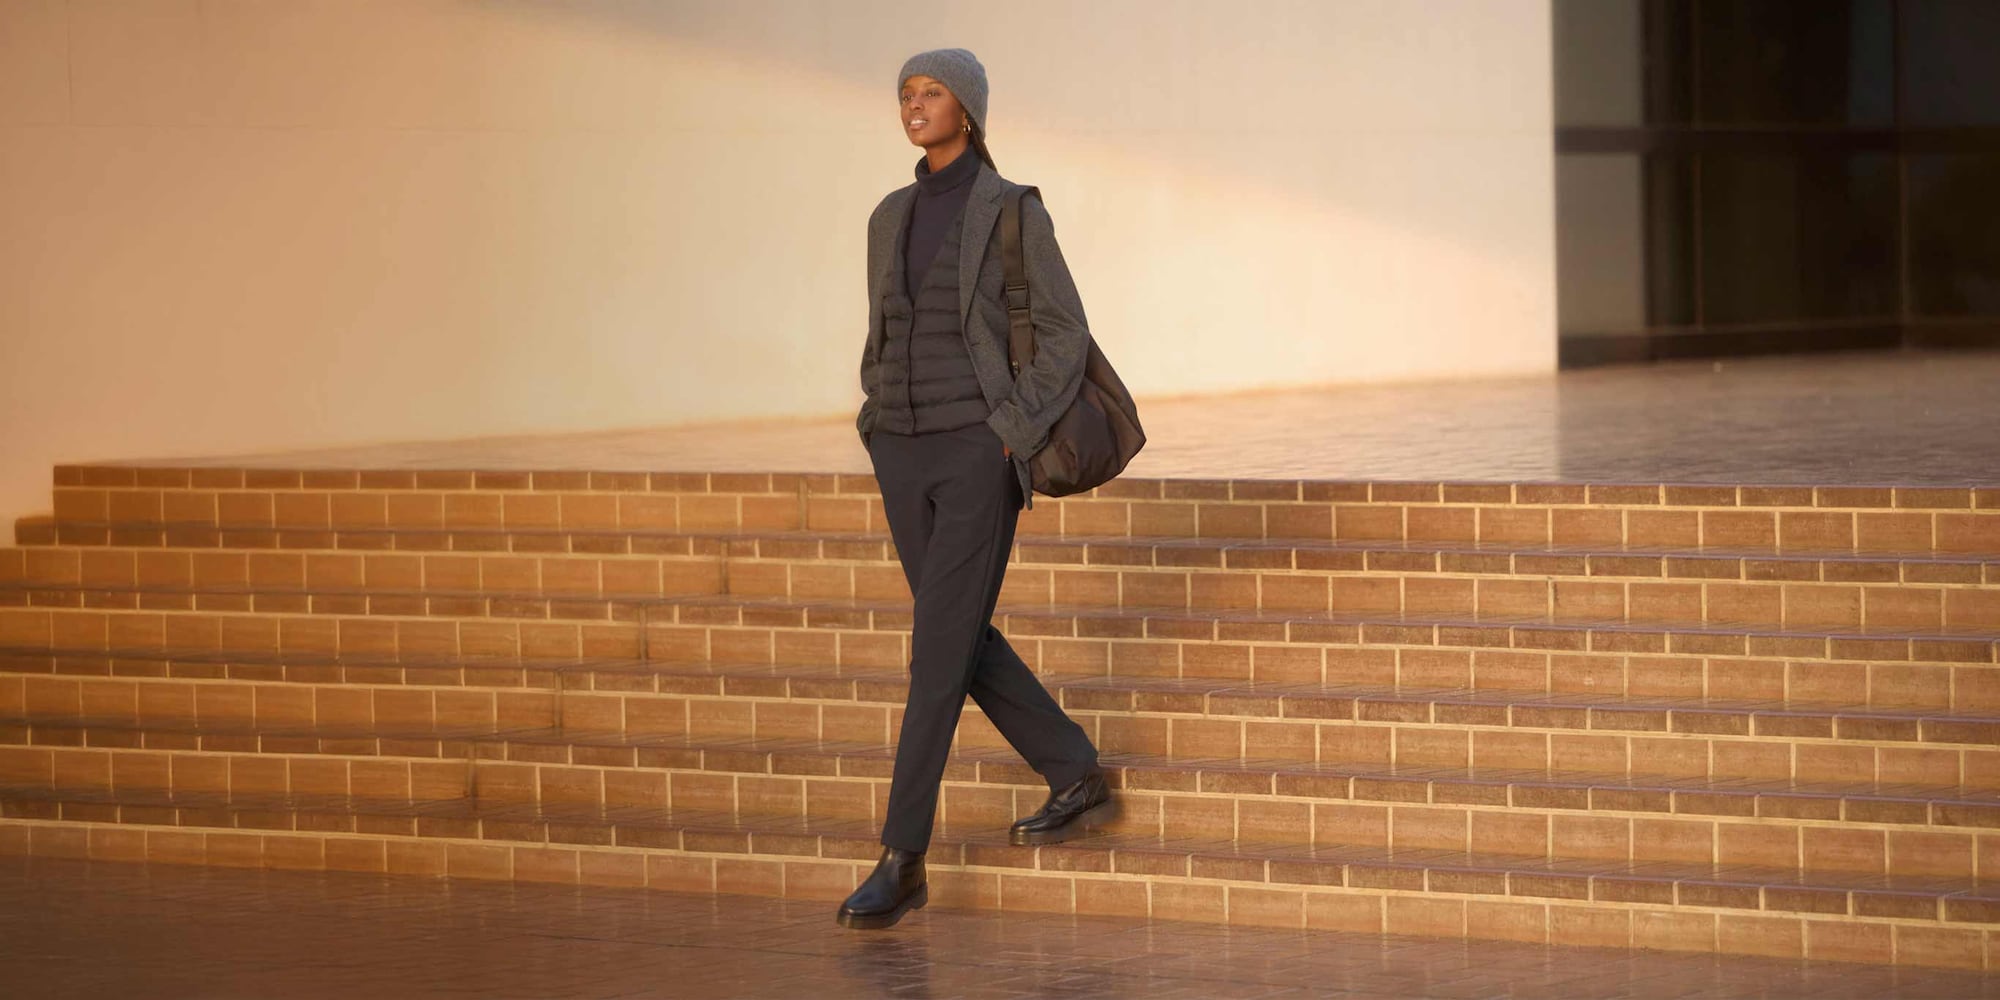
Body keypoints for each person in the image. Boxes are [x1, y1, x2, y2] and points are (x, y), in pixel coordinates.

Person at [837, 48, 1115, 930]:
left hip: (975, 452)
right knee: (955, 635)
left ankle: (901, 857)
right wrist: (873, 412)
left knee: (935, 654)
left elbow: (1067, 333)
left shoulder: (1012, 211)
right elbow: (883, 325)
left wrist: (1009, 435)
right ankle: (1072, 766)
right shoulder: (889, 215)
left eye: (932, 92)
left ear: (969, 109)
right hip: (900, 448)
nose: (914, 105)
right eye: (906, 94)